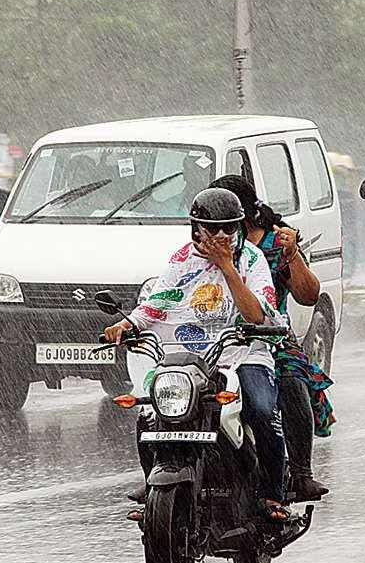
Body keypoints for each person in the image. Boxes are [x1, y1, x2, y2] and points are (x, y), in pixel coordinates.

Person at [106, 188, 290, 521]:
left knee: (261, 410)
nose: (221, 235)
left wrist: (226, 267)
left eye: (229, 228)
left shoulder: (251, 260)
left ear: (239, 228)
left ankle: (272, 495)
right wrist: (127, 323)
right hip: (188, 357)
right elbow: (158, 302)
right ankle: (154, 485)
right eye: (212, 228)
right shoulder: (181, 259)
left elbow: (257, 315)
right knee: (150, 413)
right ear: (196, 228)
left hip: (242, 351)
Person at [210, 174, 332, 502]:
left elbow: (309, 296)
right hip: (212, 337)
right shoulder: (202, 247)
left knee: (292, 384)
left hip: (267, 336)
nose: (217, 230)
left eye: (225, 220)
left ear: (242, 215)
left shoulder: (271, 246)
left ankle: (301, 473)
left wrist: (292, 256)